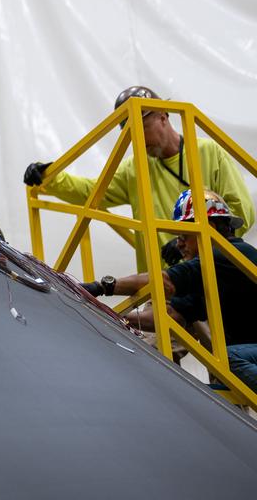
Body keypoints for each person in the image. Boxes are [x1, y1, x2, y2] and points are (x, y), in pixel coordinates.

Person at [24, 85, 253, 270]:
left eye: (142, 127)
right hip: (161, 286)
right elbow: (91, 192)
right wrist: (48, 176)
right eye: (129, 133)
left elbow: (241, 211)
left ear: (163, 116)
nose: (137, 139)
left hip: (211, 276)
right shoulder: (135, 168)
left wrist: (194, 241)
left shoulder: (207, 152)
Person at [80, 189, 257, 392]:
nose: (179, 244)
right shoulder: (216, 278)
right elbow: (172, 317)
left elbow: (164, 280)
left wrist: (101, 287)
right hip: (250, 353)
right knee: (219, 388)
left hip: (244, 353)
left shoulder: (229, 255)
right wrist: (115, 316)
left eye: (183, 235)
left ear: (209, 228)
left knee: (227, 361)